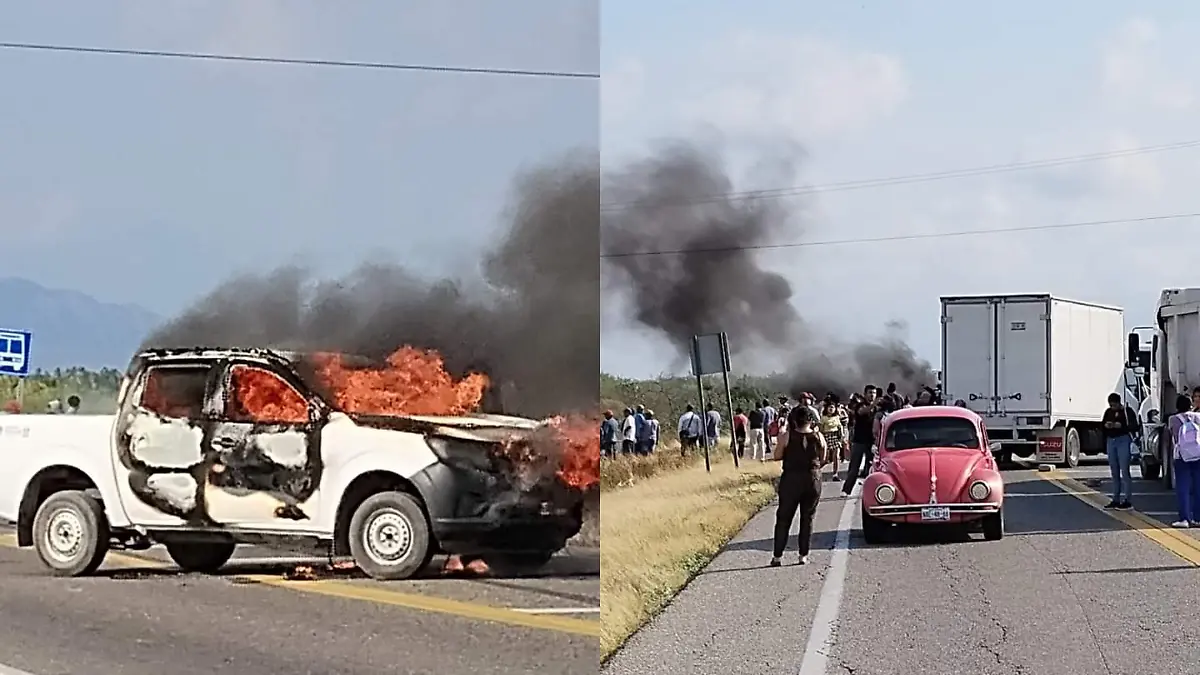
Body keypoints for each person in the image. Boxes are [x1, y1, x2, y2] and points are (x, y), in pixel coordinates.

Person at [769, 404, 830, 566]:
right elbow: (824, 457)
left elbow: (777, 456)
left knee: (784, 518)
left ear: (794, 421)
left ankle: (777, 556)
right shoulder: (818, 436)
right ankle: (803, 555)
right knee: (807, 518)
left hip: (791, 479)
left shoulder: (787, 436)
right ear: (811, 420)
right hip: (812, 478)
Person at [1101, 392, 1140, 510]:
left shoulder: (1127, 412)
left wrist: (1121, 426)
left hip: (1123, 439)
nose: (1113, 408)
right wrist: (1107, 426)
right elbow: (1102, 426)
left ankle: (1128, 499)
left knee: (1125, 470)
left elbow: (1135, 426)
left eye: (1115, 405)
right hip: (1111, 440)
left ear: (1119, 403)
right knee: (1114, 470)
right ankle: (1115, 498)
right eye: (1111, 405)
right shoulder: (1108, 412)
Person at [1167, 394, 1200, 527]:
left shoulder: (1173, 419)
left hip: (1181, 456)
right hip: (1198, 454)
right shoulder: (1198, 417)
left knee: (1183, 487)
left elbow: (1173, 436)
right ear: (1190, 404)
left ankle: (1184, 519)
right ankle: (1198, 518)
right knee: (1198, 487)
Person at [843, 386, 878, 496]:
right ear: (865, 394)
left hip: (871, 442)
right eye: (870, 393)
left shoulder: (877, 409)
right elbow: (862, 412)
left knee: (872, 467)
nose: (872, 395)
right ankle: (846, 490)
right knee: (854, 467)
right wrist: (874, 404)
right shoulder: (860, 405)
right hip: (859, 441)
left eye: (874, 393)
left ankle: (871, 491)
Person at [819, 400, 846, 482]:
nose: (831, 409)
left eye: (832, 407)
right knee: (825, 457)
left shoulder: (837, 417)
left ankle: (835, 474)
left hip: (835, 437)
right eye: (829, 407)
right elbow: (821, 429)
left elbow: (840, 427)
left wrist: (841, 437)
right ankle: (816, 471)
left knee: (836, 456)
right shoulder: (823, 418)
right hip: (826, 436)